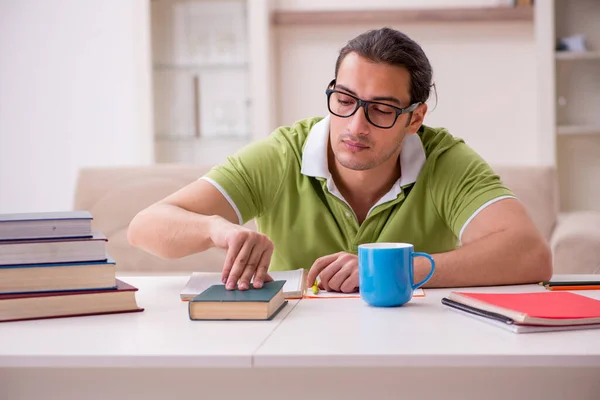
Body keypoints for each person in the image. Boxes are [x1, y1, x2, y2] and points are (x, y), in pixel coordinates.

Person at [128, 27, 552, 293]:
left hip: (415, 348)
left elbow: (531, 254)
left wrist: (397, 269)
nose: (356, 126)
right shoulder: (283, 154)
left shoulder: (445, 160)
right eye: (345, 100)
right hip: (291, 350)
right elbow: (144, 227)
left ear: (415, 118)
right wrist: (217, 229)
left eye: (382, 108)